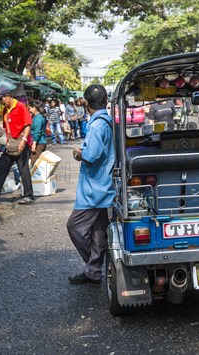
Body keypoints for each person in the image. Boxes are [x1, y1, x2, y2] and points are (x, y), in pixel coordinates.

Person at [67, 84, 115, 284]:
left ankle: (93, 264)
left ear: (86, 102)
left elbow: (91, 156)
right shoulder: (108, 121)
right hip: (104, 185)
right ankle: (93, 272)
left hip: (95, 189)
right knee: (97, 232)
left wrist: (79, 153)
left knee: (75, 226)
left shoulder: (97, 125)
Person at [0, 92, 34, 205]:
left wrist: (23, 141)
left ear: (8, 96)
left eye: (2, 99)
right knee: (1, 168)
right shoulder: (5, 110)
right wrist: (6, 142)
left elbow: (27, 124)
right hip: (10, 143)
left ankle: (28, 195)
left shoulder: (20, 106)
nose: (1, 102)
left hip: (21, 142)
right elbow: (8, 129)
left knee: (23, 170)